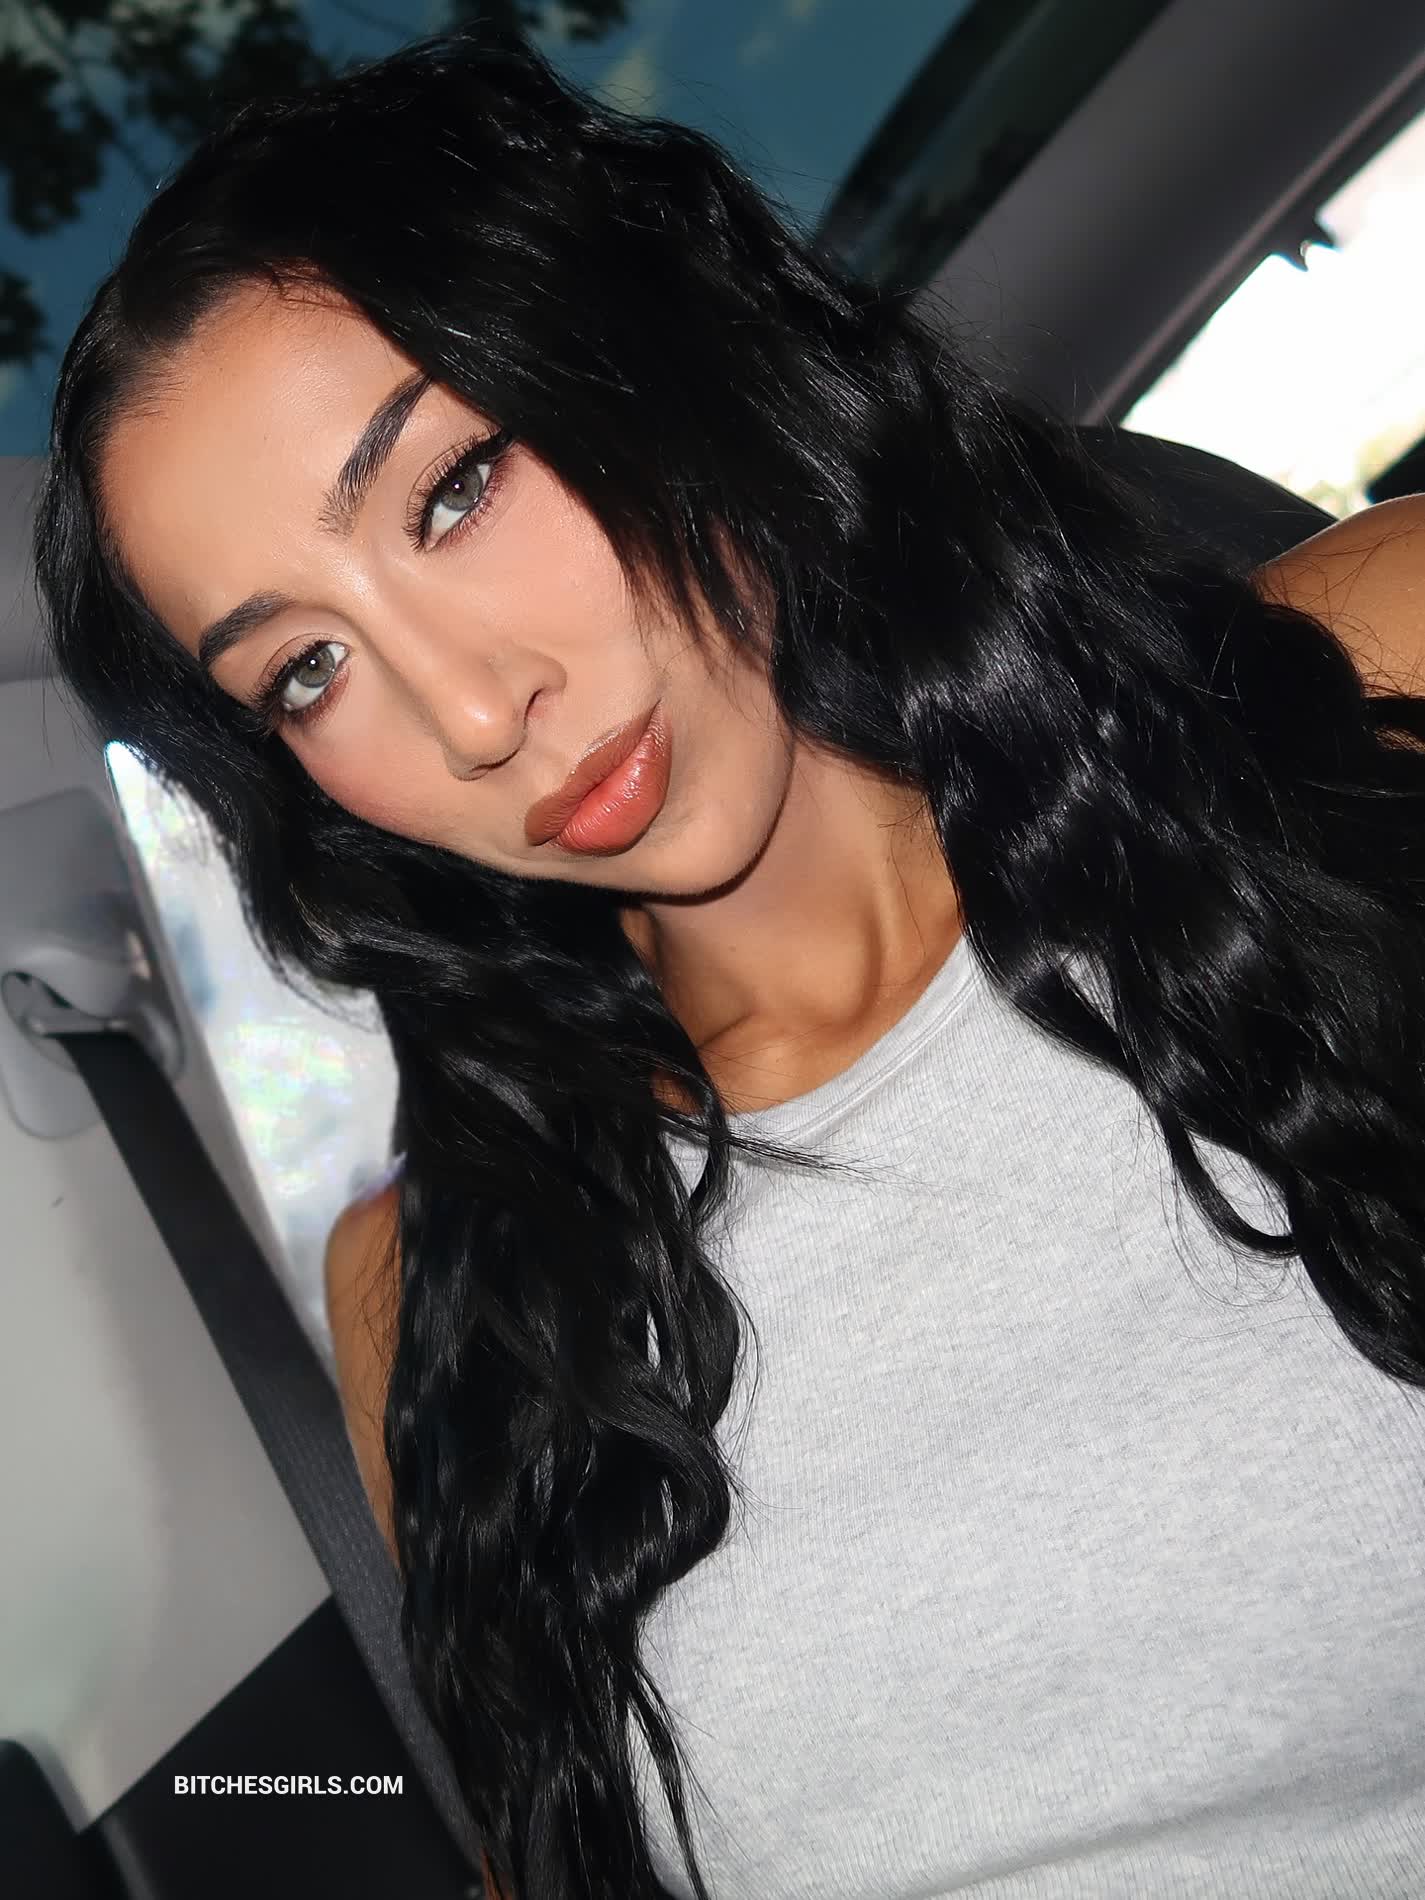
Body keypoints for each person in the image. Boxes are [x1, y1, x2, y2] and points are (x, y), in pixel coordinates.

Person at [33, 27, 1425, 1900]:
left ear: (659, 349)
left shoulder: (1363, 693)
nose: (471, 712)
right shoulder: (446, 1297)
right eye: (307, 670)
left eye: (454, 490)